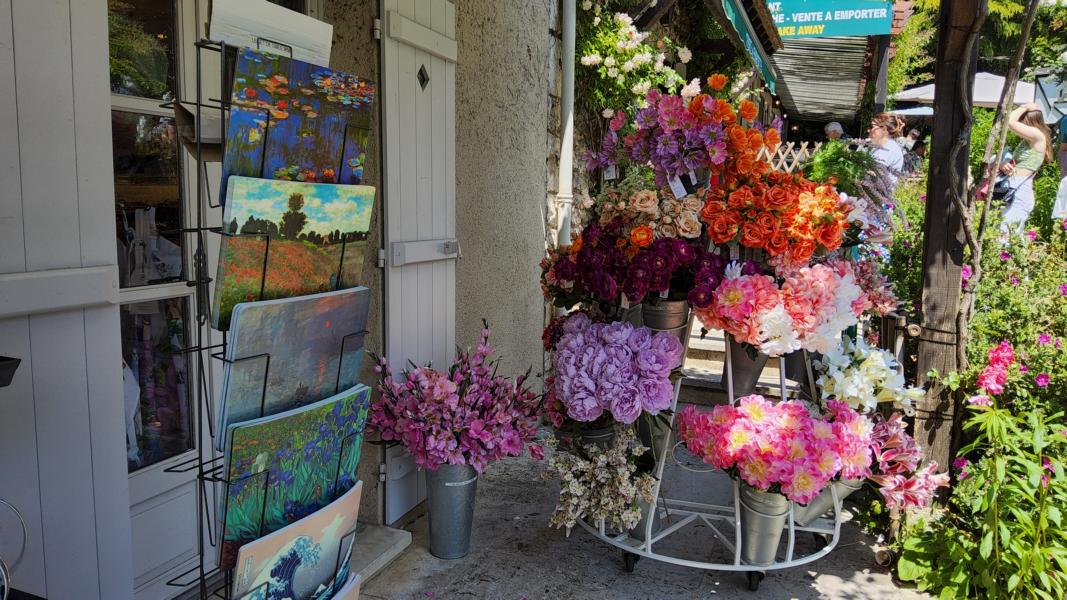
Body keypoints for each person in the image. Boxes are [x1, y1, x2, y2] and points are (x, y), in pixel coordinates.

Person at [999, 102, 1054, 235]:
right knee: (1006, 234)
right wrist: (1004, 161)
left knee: (1007, 236)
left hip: (1020, 192)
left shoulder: (1037, 135)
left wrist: (1025, 107)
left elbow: (1009, 121)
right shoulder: (1029, 140)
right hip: (1015, 191)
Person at [867, 112, 905, 183]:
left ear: (884, 129)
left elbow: (873, 174)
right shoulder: (882, 146)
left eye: (871, 126)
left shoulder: (889, 148)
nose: (868, 130)